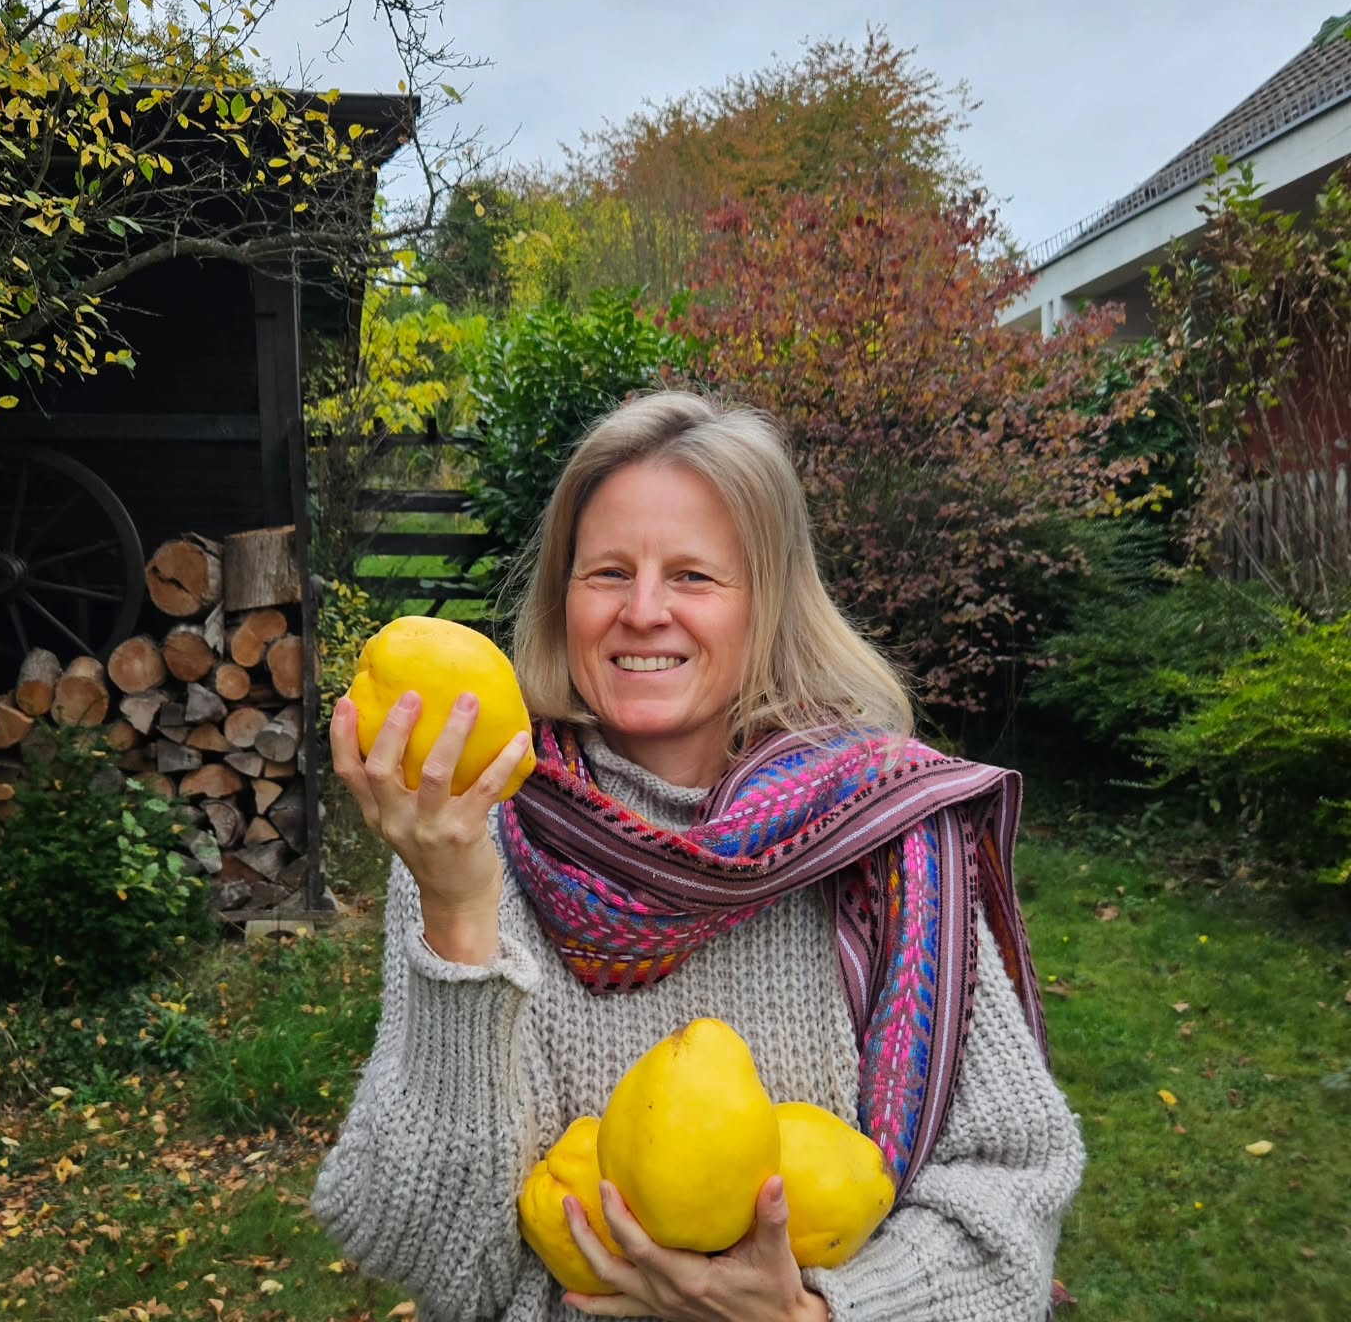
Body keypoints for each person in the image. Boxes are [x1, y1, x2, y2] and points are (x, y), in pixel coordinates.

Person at [312, 389, 1085, 1322]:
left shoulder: (887, 837)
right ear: (565, 597)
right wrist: (461, 914)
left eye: (693, 576)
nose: (643, 612)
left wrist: (821, 1315)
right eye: (606, 572)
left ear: (768, 603)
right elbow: (437, 1256)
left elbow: (1011, 1195)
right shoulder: (470, 841)